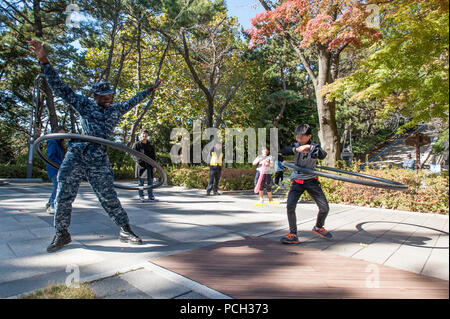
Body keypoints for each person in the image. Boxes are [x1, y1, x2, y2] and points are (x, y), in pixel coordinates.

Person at [28, 40, 162, 253]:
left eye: (110, 95)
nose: (109, 98)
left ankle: (125, 229)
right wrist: (44, 61)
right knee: (64, 191)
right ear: (95, 95)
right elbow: (61, 88)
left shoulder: (116, 110)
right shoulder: (85, 104)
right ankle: (62, 233)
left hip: (99, 158)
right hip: (79, 153)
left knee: (108, 195)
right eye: (104, 96)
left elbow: (134, 100)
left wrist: (150, 90)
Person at [279, 124, 331, 244]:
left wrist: (310, 147)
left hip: (311, 181)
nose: (299, 139)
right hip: (297, 182)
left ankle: (318, 227)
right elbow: (282, 151)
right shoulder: (295, 145)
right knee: (290, 206)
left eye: (302, 137)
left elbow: (323, 155)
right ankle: (293, 234)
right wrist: (297, 149)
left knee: (324, 208)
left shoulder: (314, 147)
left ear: (309, 136)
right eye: (297, 136)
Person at [45, 126, 66, 214]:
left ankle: (50, 202)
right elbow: (51, 156)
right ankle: (51, 206)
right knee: (57, 186)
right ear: (56, 132)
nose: (63, 135)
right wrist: (60, 165)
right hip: (53, 168)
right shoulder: (52, 142)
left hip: (57, 168)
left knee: (57, 186)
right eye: (61, 133)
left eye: (64, 134)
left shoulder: (58, 143)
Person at [132, 130, 157, 202]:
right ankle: (141, 196)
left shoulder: (150, 145)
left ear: (148, 136)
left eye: (146, 135)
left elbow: (153, 156)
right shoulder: (137, 144)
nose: (144, 136)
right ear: (141, 135)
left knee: (150, 181)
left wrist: (154, 166)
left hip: (149, 166)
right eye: (143, 134)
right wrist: (140, 162)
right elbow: (133, 155)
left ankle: (150, 196)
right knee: (141, 182)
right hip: (141, 166)